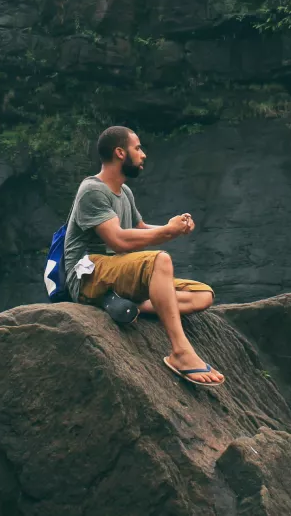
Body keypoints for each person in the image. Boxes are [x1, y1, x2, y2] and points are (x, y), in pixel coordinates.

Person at [63, 126, 225, 386]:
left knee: (203, 295)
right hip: (88, 273)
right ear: (119, 152)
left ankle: (128, 304)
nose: (143, 154)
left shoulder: (124, 192)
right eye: (137, 148)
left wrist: (173, 229)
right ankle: (181, 353)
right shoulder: (92, 190)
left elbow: (139, 229)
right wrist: (166, 234)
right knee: (160, 260)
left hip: (115, 272)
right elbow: (117, 239)